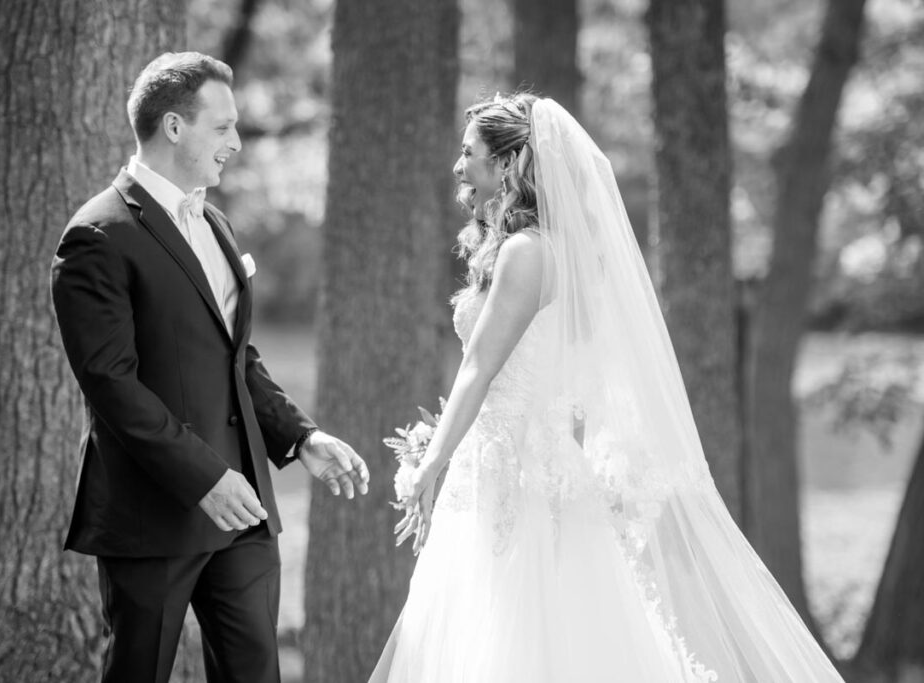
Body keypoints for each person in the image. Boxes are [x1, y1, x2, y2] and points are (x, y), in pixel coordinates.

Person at [369, 94, 844, 682]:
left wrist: (430, 464)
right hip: (537, 466)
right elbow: (570, 387)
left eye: (469, 153)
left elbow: (478, 369)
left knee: (509, 632)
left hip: (508, 475)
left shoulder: (525, 253)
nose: (459, 165)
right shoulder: (568, 256)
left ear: (508, 164)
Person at [51, 52, 369, 683]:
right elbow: (111, 385)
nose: (237, 142)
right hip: (153, 511)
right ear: (174, 127)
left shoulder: (215, 222)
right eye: (222, 127)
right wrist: (204, 477)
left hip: (245, 509)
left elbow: (235, 356)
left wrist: (301, 436)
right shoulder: (96, 234)